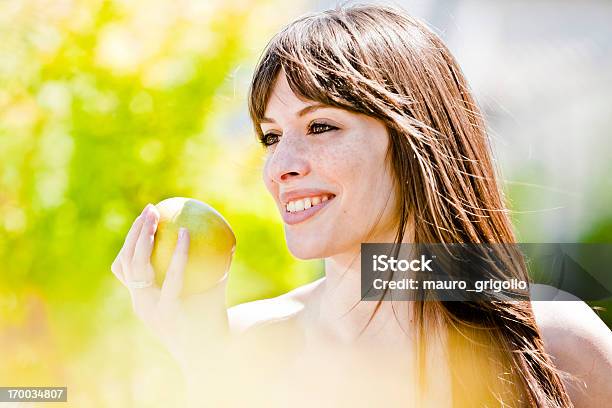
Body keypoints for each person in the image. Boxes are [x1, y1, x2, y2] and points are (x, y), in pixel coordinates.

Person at [111, 4, 612, 407]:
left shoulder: (557, 343)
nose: (280, 165)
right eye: (270, 136)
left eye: (320, 126)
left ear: (417, 140)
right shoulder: (244, 348)